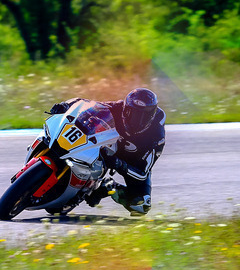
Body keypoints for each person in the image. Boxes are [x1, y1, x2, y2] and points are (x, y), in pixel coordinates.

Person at [48, 88, 165, 216]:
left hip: (132, 163)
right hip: (108, 148)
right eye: (132, 113)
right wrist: (65, 105)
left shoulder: (157, 136)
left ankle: (106, 188)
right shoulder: (118, 107)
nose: (136, 120)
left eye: (143, 116)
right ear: (126, 108)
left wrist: (120, 164)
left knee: (141, 205)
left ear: (152, 115)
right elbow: (87, 104)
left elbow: (143, 173)